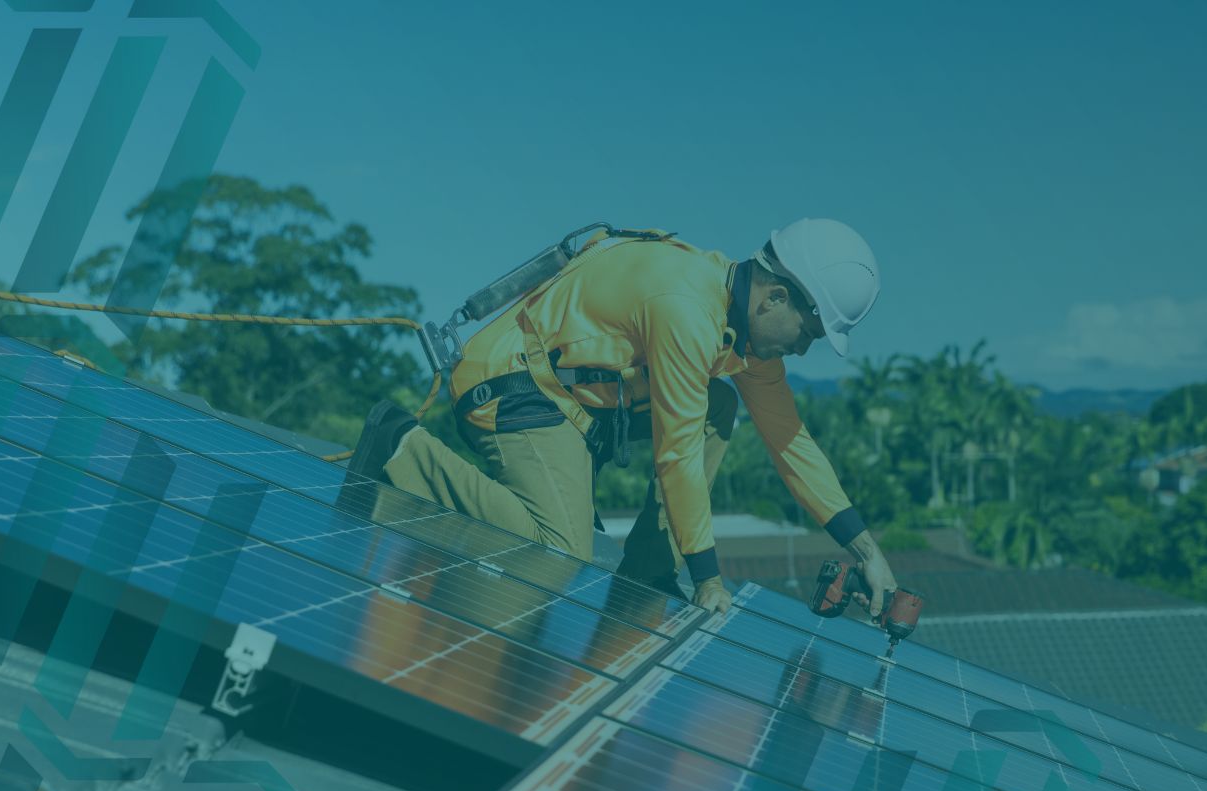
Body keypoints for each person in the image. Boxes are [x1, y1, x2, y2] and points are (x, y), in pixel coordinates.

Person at [343, 218, 898, 617]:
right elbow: (676, 450)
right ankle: (401, 448)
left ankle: (647, 574)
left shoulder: (742, 335)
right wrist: (706, 578)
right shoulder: (686, 308)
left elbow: (790, 441)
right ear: (775, 297)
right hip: (514, 385)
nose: (803, 350)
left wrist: (867, 553)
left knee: (720, 403)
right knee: (557, 550)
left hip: (579, 402)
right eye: (809, 332)